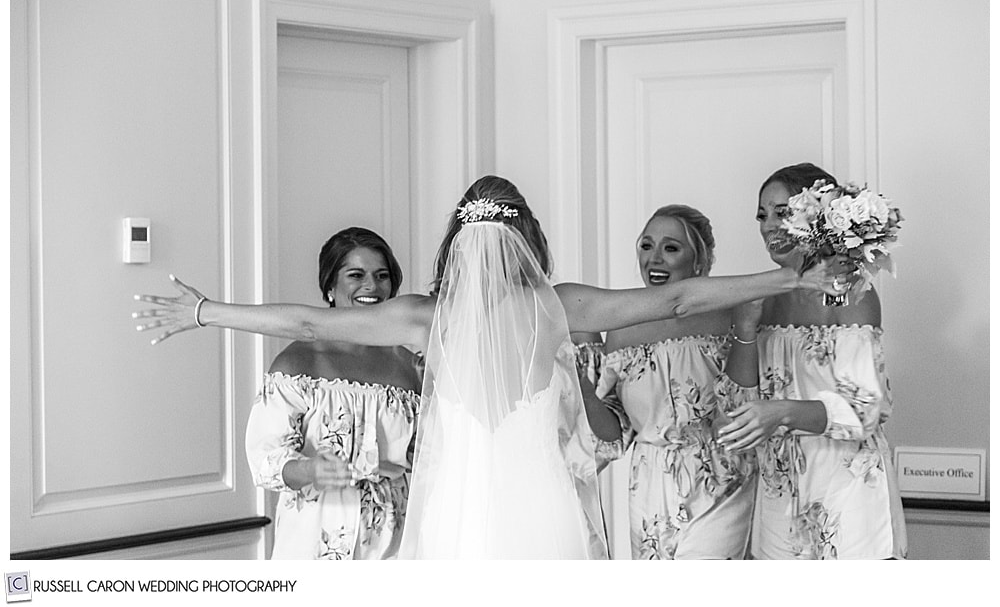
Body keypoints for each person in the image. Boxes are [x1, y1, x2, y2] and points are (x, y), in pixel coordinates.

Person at [134, 175, 848, 559]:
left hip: (453, 510)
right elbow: (687, 296)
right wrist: (788, 279)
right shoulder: (559, 308)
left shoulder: (423, 318)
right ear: (528, 240)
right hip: (544, 506)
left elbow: (307, 320)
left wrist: (208, 313)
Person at [716, 162, 908, 560]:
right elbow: (736, 408)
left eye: (782, 213)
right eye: (762, 215)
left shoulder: (852, 292)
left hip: (847, 491)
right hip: (778, 494)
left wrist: (784, 412)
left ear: (815, 217)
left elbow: (866, 409)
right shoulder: (758, 294)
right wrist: (745, 331)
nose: (769, 226)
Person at [586, 205, 761, 559]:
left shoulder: (729, 316)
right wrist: (581, 387)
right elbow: (614, 432)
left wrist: (745, 332)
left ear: (699, 260)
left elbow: (744, 404)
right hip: (649, 484)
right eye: (646, 246)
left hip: (720, 476)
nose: (655, 259)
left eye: (671, 248)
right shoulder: (621, 330)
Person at [244, 227, 422, 559]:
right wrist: (310, 470)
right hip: (312, 543)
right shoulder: (297, 362)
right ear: (330, 286)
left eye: (382, 276)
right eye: (356, 275)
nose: (371, 285)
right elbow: (264, 457)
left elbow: (432, 457)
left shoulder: (411, 367)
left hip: (394, 546)